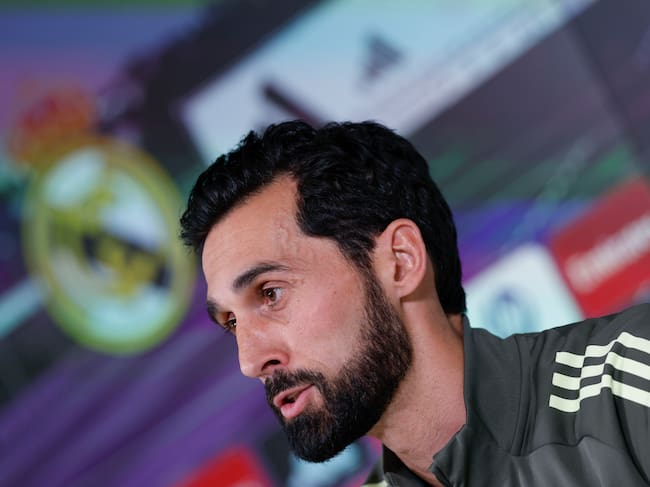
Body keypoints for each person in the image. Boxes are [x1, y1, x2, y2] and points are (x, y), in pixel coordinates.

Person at [179, 120, 650, 486]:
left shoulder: (631, 380)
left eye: (271, 293)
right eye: (232, 322)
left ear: (401, 262)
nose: (250, 361)